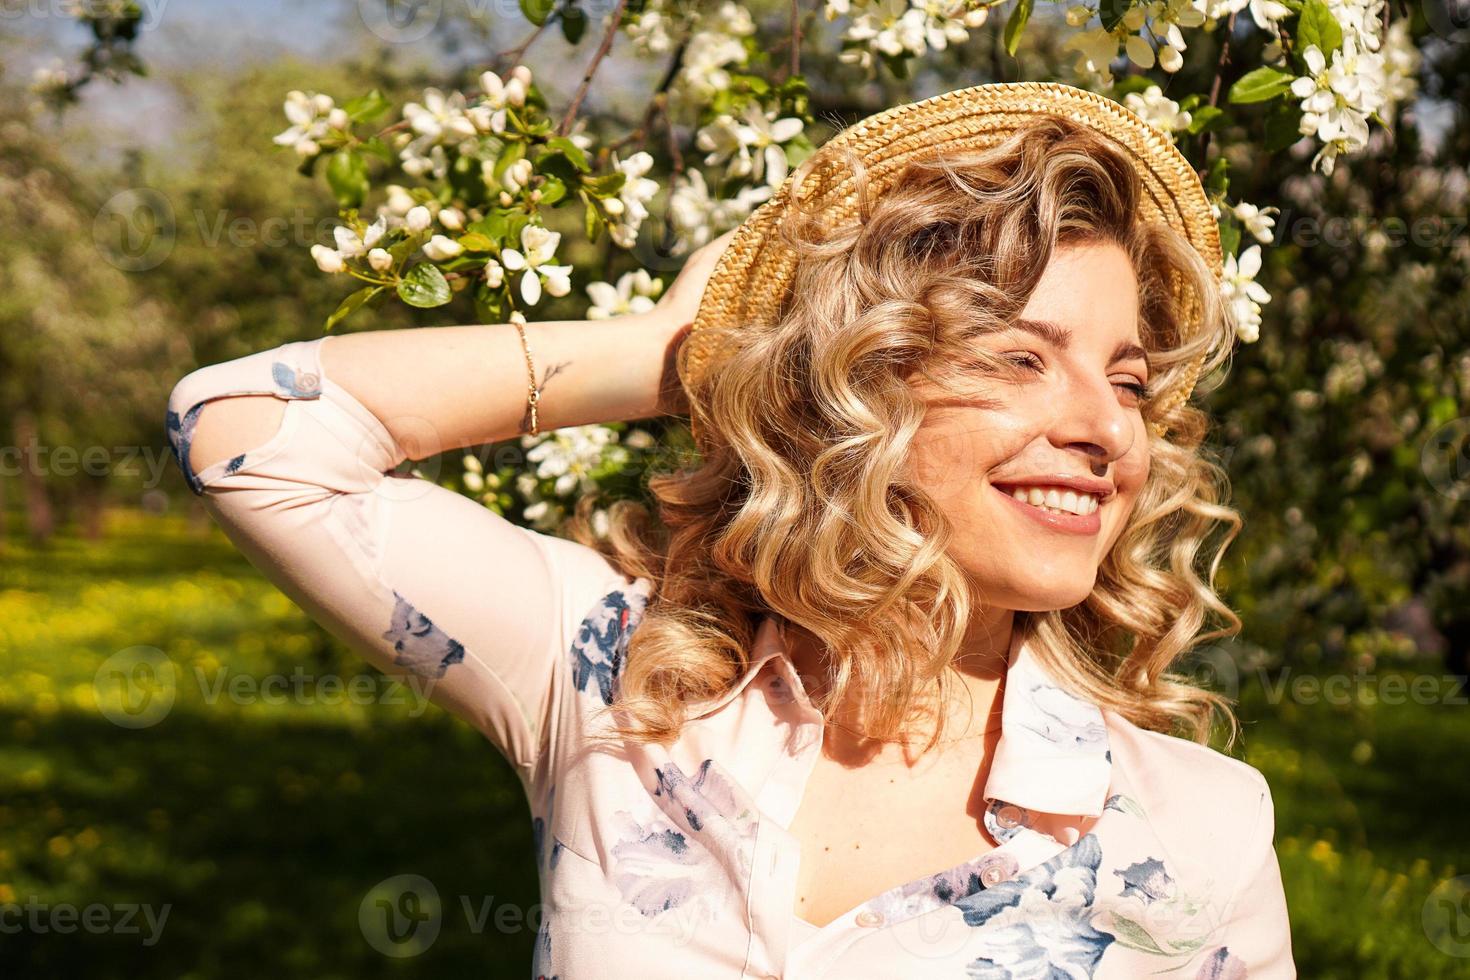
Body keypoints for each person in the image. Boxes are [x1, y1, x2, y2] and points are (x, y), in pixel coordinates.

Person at [166, 82, 1295, 978]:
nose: (1107, 427)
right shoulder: (622, 677)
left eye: (1133, 383)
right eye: (1021, 358)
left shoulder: (1199, 829)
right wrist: (671, 355)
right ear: (861, 385)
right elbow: (245, 435)